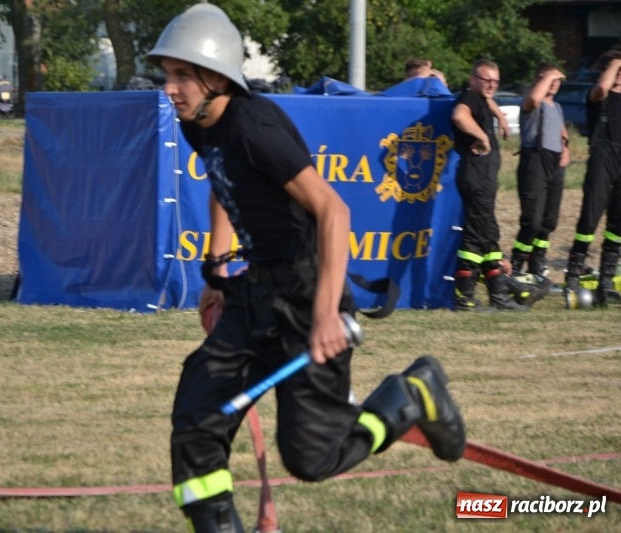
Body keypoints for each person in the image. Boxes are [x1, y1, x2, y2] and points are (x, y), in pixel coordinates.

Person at [146, 5, 466, 532]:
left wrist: (323, 315)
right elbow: (222, 182)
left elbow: (332, 211)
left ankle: (413, 394)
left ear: (216, 76)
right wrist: (219, 268)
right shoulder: (202, 122)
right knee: (197, 417)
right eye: (168, 75)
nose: (170, 88)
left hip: (304, 295)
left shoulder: (254, 128)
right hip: (253, 293)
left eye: (182, 75)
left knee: (313, 458)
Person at [451, 59, 526, 311]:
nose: (492, 85)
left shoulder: (480, 96)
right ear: (473, 79)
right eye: (487, 80)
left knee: (488, 233)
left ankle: (499, 295)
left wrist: (499, 117)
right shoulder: (470, 97)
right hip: (476, 174)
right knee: (475, 237)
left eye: (496, 81)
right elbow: (460, 115)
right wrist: (482, 135)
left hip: (483, 177)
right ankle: (465, 298)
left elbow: (487, 98)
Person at [564, 49, 621, 306]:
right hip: (602, 158)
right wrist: (615, 63)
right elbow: (601, 88)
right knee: (589, 219)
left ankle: (605, 283)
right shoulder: (598, 95)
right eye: (616, 70)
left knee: (617, 227)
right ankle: (573, 278)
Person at [509, 63, 570, 277]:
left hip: (554, 164)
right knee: (532, 220)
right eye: (548, 79)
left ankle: (537, 263)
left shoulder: (557, 107)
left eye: (557, 80)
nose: (554, 83)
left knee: (548, 220)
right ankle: (516, 265)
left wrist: (566, 148)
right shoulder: (531, 103)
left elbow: (562, 132)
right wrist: (552, 74)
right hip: (534, 160)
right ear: (538, 81)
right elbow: (534, 99)